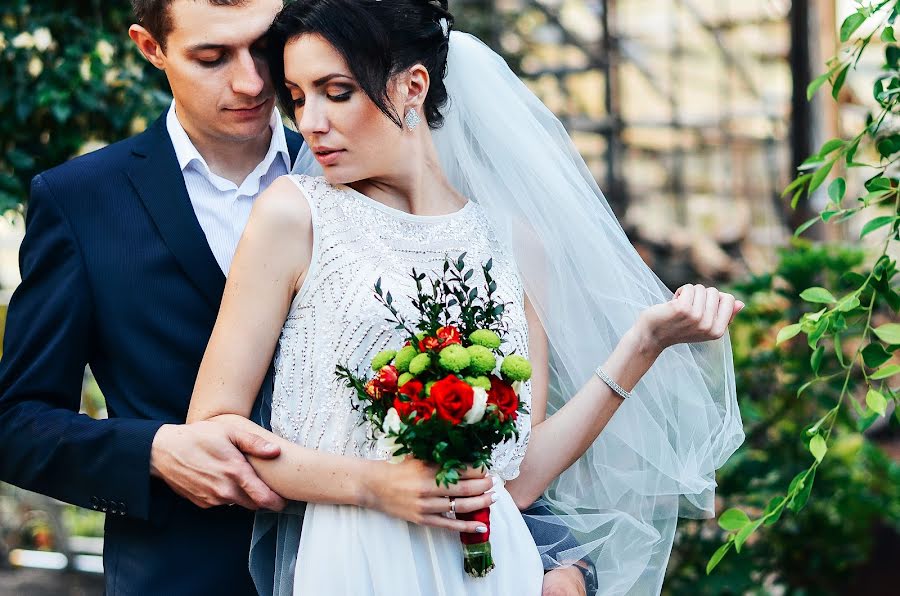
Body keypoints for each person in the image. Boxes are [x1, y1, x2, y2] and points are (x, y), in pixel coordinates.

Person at [187, 0, 745, 594]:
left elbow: (519, 477)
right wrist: (374, 483)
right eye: (299, 97)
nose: (312, 122)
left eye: (337, 91)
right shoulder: (295, 214)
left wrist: (643, 343)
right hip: (356, 557)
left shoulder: (514, 245)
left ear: (412, 86)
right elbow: (213, 430)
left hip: (491, 561)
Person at [0, 1, 496, 593]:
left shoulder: (363, 167)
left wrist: (556, 553)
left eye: (264, 48)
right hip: (186, 576)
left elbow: (480, 387)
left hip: (383, 567)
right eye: (211, 57)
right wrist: (153, 451)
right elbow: (17, 422)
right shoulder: (81, 201)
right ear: (149, 47)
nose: (252, 82)